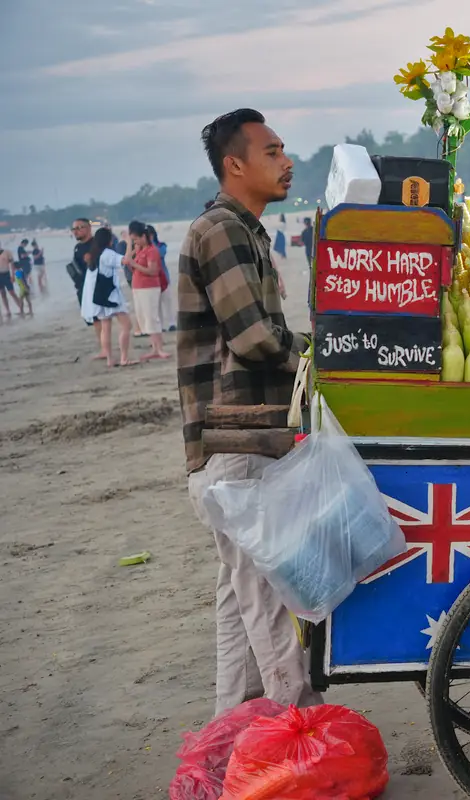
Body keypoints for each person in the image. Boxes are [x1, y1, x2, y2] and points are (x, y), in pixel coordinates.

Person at [178, 108, 322, 716]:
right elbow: (254, 338)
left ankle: (230, 734)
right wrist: (318, 355)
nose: (287, 162)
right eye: (272, 152)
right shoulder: (221, 230)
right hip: (234, 441)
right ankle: (299, 723)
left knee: (239, 598)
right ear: (234, 164)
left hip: (237, 441)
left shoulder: (247, 230)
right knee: (264, 589)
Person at [80, 227, 134, 366]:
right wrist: (128, 242)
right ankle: (124, 358)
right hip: (111, 295)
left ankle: (110, 359)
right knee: (126, 325)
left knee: (106, 328)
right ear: (109, 240)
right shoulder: (108, 254)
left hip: (100, 296)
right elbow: (126, 260)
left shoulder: (95, 254)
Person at [123, 221, 171, 361]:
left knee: (152, 318)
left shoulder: (152, 250)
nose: (135, 242)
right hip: (138, 287)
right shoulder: (140, 250)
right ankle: (154, 348)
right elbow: (126, 260)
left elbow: (153, 271)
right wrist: (129, 245)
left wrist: (135, 264)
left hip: (149, 287)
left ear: (143, 236)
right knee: (144, 318)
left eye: (136, 239)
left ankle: (159, 348)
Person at [147, 225, 176, 332]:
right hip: (153, 279)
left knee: (167, 301)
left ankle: (172, 323)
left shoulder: (161, 245)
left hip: (164, 277)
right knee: (157, 303)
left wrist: (151, 242)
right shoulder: (145, 249)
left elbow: (159, 254)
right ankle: (161, 325)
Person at [0, 245, 20, 319]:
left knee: (12, 292)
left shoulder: (7, 252)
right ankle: (8, 311)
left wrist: (13, 275)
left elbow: (12, 264)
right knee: (2, 293)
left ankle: (20, 307)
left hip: (7, 274)